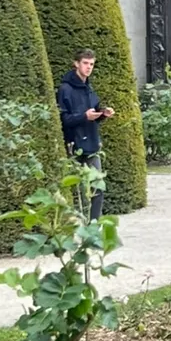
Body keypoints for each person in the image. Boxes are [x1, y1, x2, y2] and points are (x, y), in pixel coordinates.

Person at [57, 48, 114, 220]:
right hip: (73, 145)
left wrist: (103, 114)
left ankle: (94, 225)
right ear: (76, 64)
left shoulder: (89, 88)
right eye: (85, 63)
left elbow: (93, 114)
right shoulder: (65, 89)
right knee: (76, 190)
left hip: (92, 143)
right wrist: (84, 117)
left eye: (91, 64)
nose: (89, 67)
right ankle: (76, 226)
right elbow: (63, 119)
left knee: (98, 186)